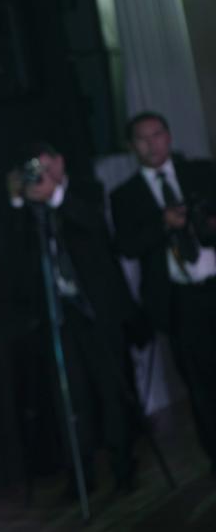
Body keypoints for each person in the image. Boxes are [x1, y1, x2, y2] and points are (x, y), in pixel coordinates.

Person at [2, 142, 139, 493]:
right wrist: (17, 201)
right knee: (71, 398)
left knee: (111, 391)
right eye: (35, 171)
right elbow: (15, 256)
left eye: (46, 168)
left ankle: (124, 468)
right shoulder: (30, 209)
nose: (41, 177)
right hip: (59, 316)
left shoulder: (86, 190)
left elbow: (95, 226)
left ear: (60, 163)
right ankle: (81, 475)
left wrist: (56, 196)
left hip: (97, 311)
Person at [110, 111, 216, 476]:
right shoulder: (125, 195)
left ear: (168, 136)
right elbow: (126, 246)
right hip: (179, 299)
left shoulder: (201, 171)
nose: (151, 144)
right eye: (142, 138)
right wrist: (162, 224)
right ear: (132, 146)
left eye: (156, 135)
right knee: (200, 385)